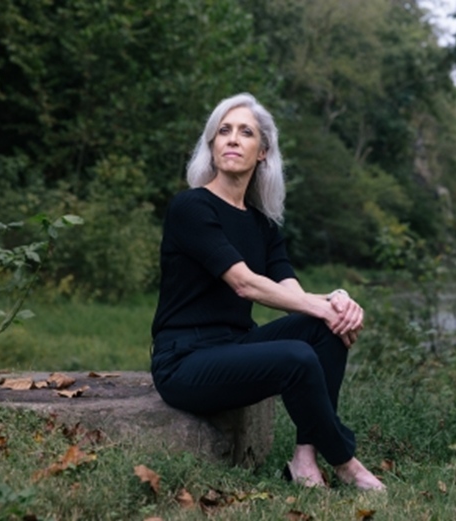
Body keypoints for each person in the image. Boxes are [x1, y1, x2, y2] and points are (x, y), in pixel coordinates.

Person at [150, 93, 385, 491]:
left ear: (262, 152)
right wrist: (322, 306)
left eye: (246, 132)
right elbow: (244, 283)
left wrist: (335, 301)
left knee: (323, 329)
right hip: (184, 361)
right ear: (212, 145)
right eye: (224, 131)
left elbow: (289, 289)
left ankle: (305, 460)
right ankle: (346, 462)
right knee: (297, 355)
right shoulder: (190, 208)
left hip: (234, 346)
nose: (232, 139)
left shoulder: (263, 224)